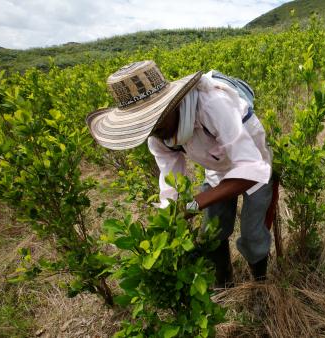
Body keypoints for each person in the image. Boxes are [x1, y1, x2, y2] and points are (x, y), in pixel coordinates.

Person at [86, 60, 273, 286]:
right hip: (217, 166)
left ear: (173, 104)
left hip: (253, 159)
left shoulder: (212, 104)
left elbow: (251, 170)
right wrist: (169, 220)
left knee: (253, 234)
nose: (155, 132)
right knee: (211, 234)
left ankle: (261, 284)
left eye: (157, 122)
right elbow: (170, 187)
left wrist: (192, 205)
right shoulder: (158, 136)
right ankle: (224, 285)